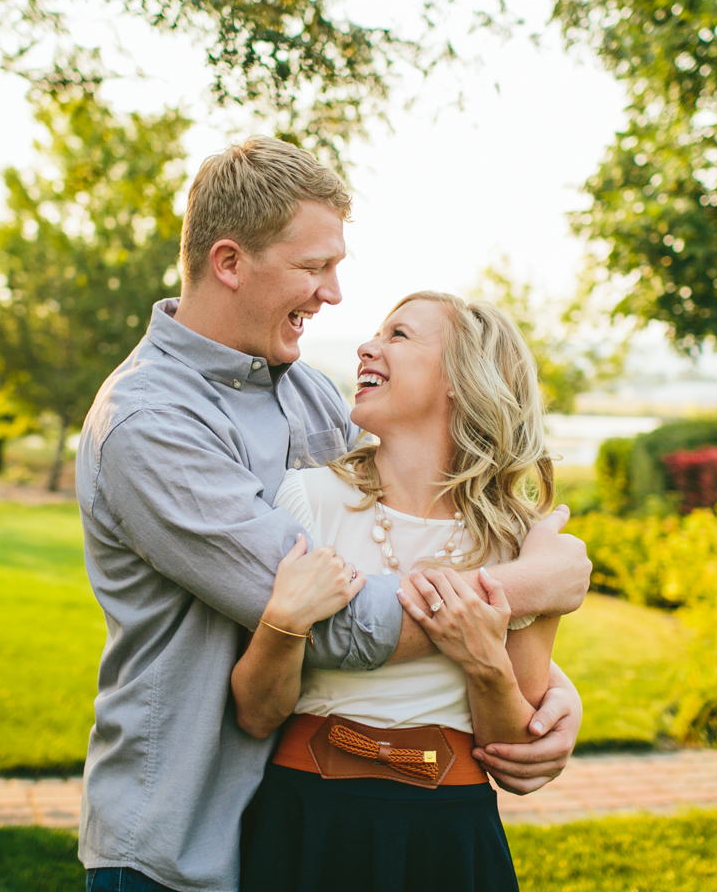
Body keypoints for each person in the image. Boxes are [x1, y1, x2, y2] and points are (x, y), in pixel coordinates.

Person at [75, 137, 592, 892]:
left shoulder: (307, 392)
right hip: (179, 839)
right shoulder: (149, 422)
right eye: (314, 267)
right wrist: (528, 588)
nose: (335, 294)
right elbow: (339, 622)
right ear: (229, 263)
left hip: (291, 826)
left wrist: (546, 690)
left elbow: (410, 525)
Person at [233, 292, 559, 892]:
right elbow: (256, 714)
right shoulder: (308, 499)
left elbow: (514, 756)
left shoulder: (522, 545)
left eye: (400, 336)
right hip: (306, 820)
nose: (367, 347)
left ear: (463, 379)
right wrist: (285, 623)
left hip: (449, 834)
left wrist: (486, 663)